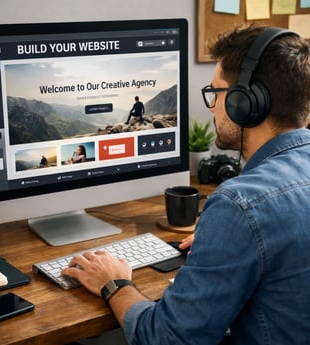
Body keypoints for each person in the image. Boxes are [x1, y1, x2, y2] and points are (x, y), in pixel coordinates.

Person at [62, 24, 310, 345]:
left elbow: (166, 339)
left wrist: (114, 283)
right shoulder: (248, 212)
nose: (211, 107)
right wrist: (226, 239)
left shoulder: (241, 205)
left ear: (244, 103)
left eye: (216, 94)